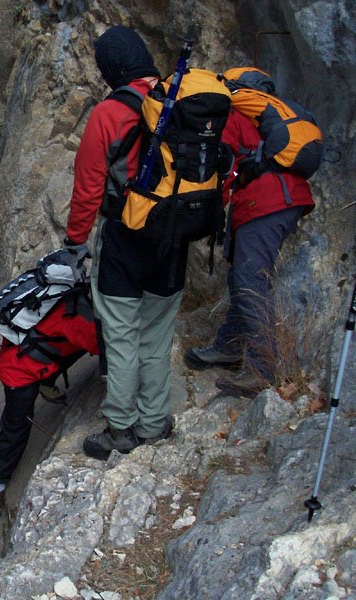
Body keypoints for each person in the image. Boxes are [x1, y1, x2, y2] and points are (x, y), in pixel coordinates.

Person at [63, 25, 177, 462]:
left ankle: (121, 429)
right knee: (156, 333)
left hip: (126, 235)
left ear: (111, 68)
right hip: (175, 237)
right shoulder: (179, 98)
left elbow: (89, 187)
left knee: (122, 333)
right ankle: (154, 423)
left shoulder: (109, 113)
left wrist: (75, 243)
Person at [184, 101, 315, 396]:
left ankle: (263, 370)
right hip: (275, 198)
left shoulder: (230, 114)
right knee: (240, 277)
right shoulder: (259, 115)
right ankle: (229, 346)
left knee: (250, 281)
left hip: (266, 200)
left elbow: (224, 167)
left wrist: (207, 212)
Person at [0, 290, 100, 519]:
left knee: (67, 344)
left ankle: (46, 379)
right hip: (19, 374)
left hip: (20, 357)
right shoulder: (79, 317)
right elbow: (100, 345)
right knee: (16, 429)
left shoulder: (67, 296)